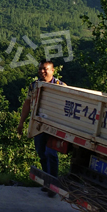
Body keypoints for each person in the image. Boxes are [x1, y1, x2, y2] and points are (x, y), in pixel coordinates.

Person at [16, 60, 66, 197]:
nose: (42, 71)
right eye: (40, 69)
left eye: (45, 69)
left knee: (51, 153)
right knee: (41, 152)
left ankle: (53, 185)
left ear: (52, 70)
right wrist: (21, 123)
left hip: (54, 126)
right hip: (39, 125)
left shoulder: (61, 86)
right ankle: (47, 181)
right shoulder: (34, 85)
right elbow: (27, 104)